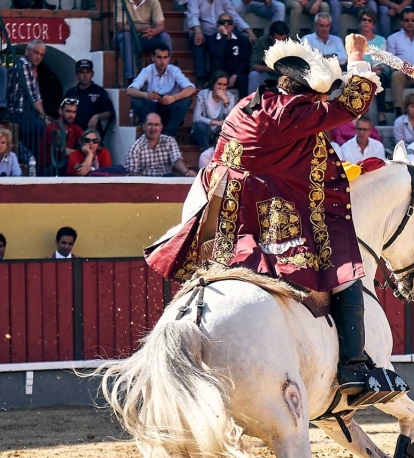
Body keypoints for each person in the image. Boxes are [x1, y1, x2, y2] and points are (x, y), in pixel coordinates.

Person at [144, 35, 383, 391]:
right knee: (344, 271)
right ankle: (352, 368)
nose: (320, 104)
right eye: (317, 97)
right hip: (270, 215)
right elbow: (350, 105)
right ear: (305, 94)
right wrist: (357, 57)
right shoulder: (293, 112)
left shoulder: (249, 104)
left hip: (226, 213)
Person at [127, 45, 197, 137]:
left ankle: (170, 133)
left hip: (169, 107)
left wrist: (173, 98)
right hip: (153, 108)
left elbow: (191, 88)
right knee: (135, 101)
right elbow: (130, 90)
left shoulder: (174, 70)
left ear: (168, 58)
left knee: (186, 100)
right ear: (153, 57)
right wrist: (147, 95)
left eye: (165, 57)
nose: (162, 61)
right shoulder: (147, 70)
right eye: (159, 57)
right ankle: (151, 127)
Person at [188, 0, 255, 85]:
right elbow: (193, 16)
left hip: (221, 33)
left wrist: (249, 32)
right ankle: (201, 78)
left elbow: (234, 17)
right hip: (203, 32)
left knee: (242, 40)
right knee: (199, 42)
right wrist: (198, 31)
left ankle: (233, 74)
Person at [6, 39, 48, 160]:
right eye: (36, 52)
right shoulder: (24, 65)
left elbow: (37, 96)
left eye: (41, 54)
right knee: (47, 129)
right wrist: (44, 118)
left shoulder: (30, 67)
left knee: (37, 138)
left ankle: (33, 163)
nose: (38, 56)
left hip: (26, 114)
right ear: (27, 51)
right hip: (17, 113)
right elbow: (34, 98)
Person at [115, 0, 172, 84]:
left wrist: (153, 32)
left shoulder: (153, 1)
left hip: (146, 37)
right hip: (128, 35)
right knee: (126, 37)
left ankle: (164, 74)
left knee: (165, 37)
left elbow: (161, 24)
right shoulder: (121, 1)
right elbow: (120, 26)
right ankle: (131, 79)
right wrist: (141, 28)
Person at [125, 113, 198, 177]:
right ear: (144, 127)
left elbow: (176, 160)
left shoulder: (169, 141)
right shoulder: (135, 147)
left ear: (161, 127)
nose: (153, 128)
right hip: (145, 181)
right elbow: (133, 172)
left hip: (165, 179)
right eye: (150, 124)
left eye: (156, 125)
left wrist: (186, 172)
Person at [63, 59, 116, 138]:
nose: (85, 76)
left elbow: (109, 113)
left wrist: (97, 116)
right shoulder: (70, 93)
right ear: (76, 74)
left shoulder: (99, 92)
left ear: (92, 74)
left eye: (87, 72)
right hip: (72, 134)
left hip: (92, 135)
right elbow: (62, 112)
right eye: (82, 72)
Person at [357, 9, 389, 121]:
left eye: (369, 20)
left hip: (378, 70)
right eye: (364, 19)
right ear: (360, 22)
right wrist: (370, 68)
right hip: (361, 71)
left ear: (373, 24)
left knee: (380, 77)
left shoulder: (381, 40)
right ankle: (364, 112)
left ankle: (381, 113)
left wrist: (376, 68)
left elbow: (383, 61)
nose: (366, 22)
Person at [210, 14, 252, 98]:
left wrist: (235, 74)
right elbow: (219, 54)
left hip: (235, 74)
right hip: (218, 73)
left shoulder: (242, 40)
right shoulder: (212, 39)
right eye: (223, 22)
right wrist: (224, 36)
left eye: (229, 22)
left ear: (233, 25)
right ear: (218, 25)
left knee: (243, 78)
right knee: (217, 62)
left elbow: (245, 61)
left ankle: (243, 107)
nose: (226, 25)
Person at [192, 71, 233, 152]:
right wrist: (216, 122)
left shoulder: (229, 97)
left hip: (217, 134)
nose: (221, 88)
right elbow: (196, 118)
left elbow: (231, 119)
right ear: (213, 84)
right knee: (200, 126)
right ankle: (207, 152)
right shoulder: (202, 95)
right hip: (202, 133)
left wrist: (225, 100)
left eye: (224, 85)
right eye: (219, 84)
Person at [248, 21, 291, 95]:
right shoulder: (262, 42)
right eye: (277, 40)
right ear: (271, 37)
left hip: (286, 77)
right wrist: (269, 68)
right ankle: (252, 104)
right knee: (254, 76)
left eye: (283, 40)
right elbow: (253, 65)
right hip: (267, 74)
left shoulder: (294, 43)